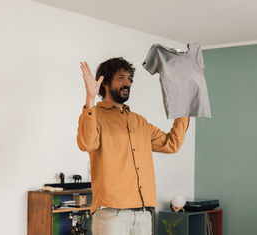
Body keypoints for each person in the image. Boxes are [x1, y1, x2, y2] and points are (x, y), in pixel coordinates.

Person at [77, 57, 189, 235]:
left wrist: (183, 107)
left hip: (143, 215)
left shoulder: (139, 122)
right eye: (121, 78)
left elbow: (172, 144)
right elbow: (87, 143)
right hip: (110, 215)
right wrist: (90, 99)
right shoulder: (94, 116)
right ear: (105, 82)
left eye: (130, 79)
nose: (127, 83)